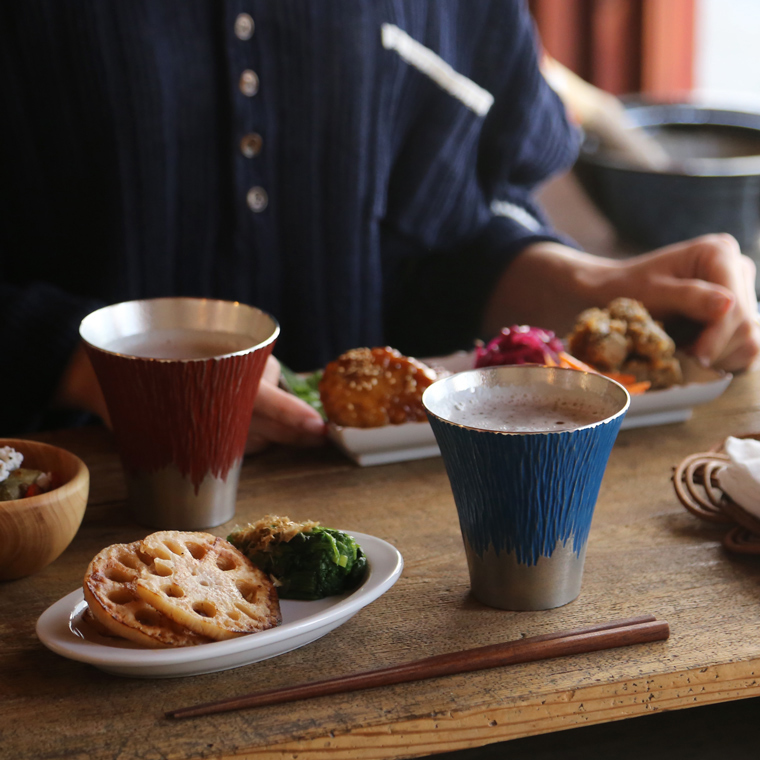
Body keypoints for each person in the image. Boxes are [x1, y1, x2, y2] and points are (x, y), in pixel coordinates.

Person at [1, 1, 758, 452]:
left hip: (411, 531)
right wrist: (78, 361)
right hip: (66, 525)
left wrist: (590, 288)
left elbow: (443, 233)